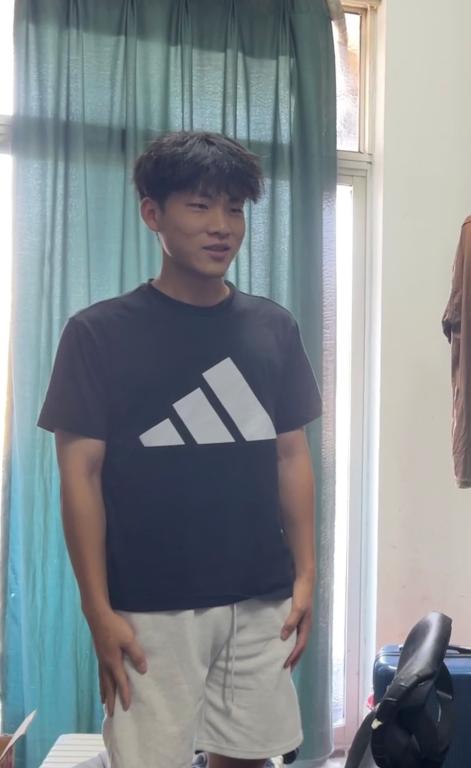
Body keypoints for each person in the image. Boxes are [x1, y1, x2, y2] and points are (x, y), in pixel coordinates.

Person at [39, 132, 322, 768]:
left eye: (235, 208)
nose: (222, 226)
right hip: (149, 605)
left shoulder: (273, 327)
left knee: (250, 758)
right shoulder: (97, 334)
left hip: (261, 597)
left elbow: (291, 457)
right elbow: (79, 476)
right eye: (199, 206)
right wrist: (97, 610)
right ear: (152, 214)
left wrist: (306, 577)